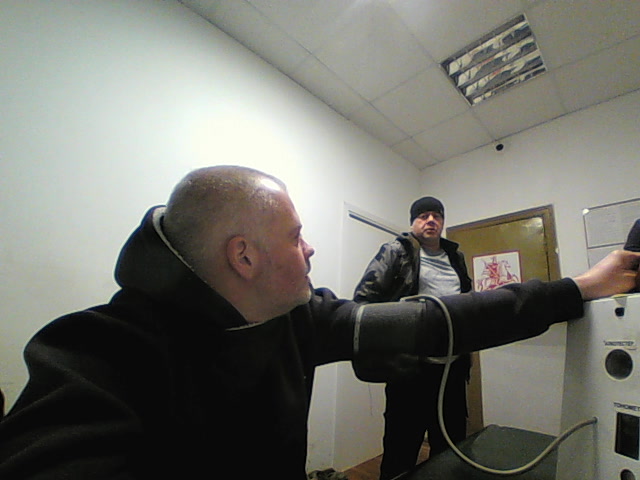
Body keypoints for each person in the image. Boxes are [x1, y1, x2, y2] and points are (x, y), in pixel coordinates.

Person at [0, 165, 638, 480]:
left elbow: (440, 318)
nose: (310, 249)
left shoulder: (300, 319)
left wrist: (580, 288)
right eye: (296, 235)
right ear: (244, 256)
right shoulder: (94, 354)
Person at [353, 196, 471, 480]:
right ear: (412, 222)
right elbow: (364, 300)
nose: (431, 220)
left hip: (452, 368)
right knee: (401, 448)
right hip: (410, 369)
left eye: (437, 216)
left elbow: (467, 302)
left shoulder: (456, 257)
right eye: (423, 215)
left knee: (450, 447)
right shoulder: (396, 251)